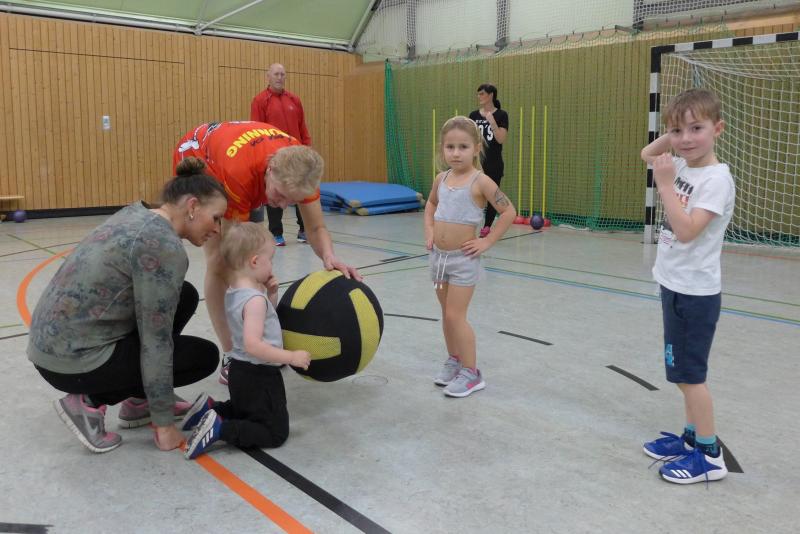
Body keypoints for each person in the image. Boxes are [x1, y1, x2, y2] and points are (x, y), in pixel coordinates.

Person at [27, 157, 226, 453]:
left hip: (50, 345)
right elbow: (156, 342)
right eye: (216, 218)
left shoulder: (137, 213)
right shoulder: (164, 247)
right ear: (193, 206)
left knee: (183, 295)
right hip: (72, 362)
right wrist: (164, 424)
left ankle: (138, 400)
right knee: (203, 356)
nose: (218, 229)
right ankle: (88, 402)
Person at [172, 121, 360, 386]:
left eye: (292, 202)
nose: (282, 206)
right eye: (280, 195)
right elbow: (236, 256)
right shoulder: (238, 174)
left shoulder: (304, 172)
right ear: (270, 169)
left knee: (253, 262)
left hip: (242, 158)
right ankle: (233, 354)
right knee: (221, 262)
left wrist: (329, 256)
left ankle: (257, 340)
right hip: (200, 155)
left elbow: (316, 227)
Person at [639, 88, 735, 484]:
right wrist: (675, 131)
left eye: (697, 129)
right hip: (674, 285)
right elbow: (648, 153)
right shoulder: (681, 163)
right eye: (678, 131)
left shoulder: (716, 179)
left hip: (695, 294)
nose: (686, 139)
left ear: (718, 129)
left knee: (689, 377)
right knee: (681, 371)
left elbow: (687, 230)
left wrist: (665, 185)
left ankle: (709, 456)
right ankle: (691, 438)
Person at [181, 222, 312, 459]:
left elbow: (263, 323)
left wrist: (271, 294)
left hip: (239, 371)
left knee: (246, 410)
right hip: (260, 375)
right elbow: (254, 345)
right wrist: (291, 357)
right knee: (275, 432)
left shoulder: (235, 293)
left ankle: (210, 409)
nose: (272, 265)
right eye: (270, 260)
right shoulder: (254, 301)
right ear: (254, 261)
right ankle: (220, 429)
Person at [424, 116, 516, 398]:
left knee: (456, 315)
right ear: (442, 149)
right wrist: (430, 231)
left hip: (462, 262)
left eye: (463, 147)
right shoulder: (441, 179)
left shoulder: (481, 181)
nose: (455, 153)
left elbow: (508, 211)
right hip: (438, 259)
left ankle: (472, 373)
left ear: (476, 148)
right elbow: (431, 205)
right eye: (450, 147)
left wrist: (487, 241)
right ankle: (454, 359)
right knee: (446, 314)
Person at [251, 63, 312, 246]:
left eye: (283, 74)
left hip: (296, 154)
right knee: (275, 193)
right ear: (268, 76)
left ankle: (303, 230)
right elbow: (256, 130)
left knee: (300, 192)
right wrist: (262, 156)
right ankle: (276, 233)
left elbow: (302, 126)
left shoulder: (294, 100)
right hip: (274, 156)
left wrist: (307, 147)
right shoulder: (260, 101)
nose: (280, 77)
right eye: (276, 74)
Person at [468, 84, 509, 238]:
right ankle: (469, 224)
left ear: (491, 95)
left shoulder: (502, 115)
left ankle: (487, 226)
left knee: (492, 196)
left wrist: (492, 121)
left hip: (494, 163)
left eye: (482, 94)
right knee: (472, 193)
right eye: (478, 94)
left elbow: (501, 139)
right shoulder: (473, 115)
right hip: (476, 162)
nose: (479, 96)